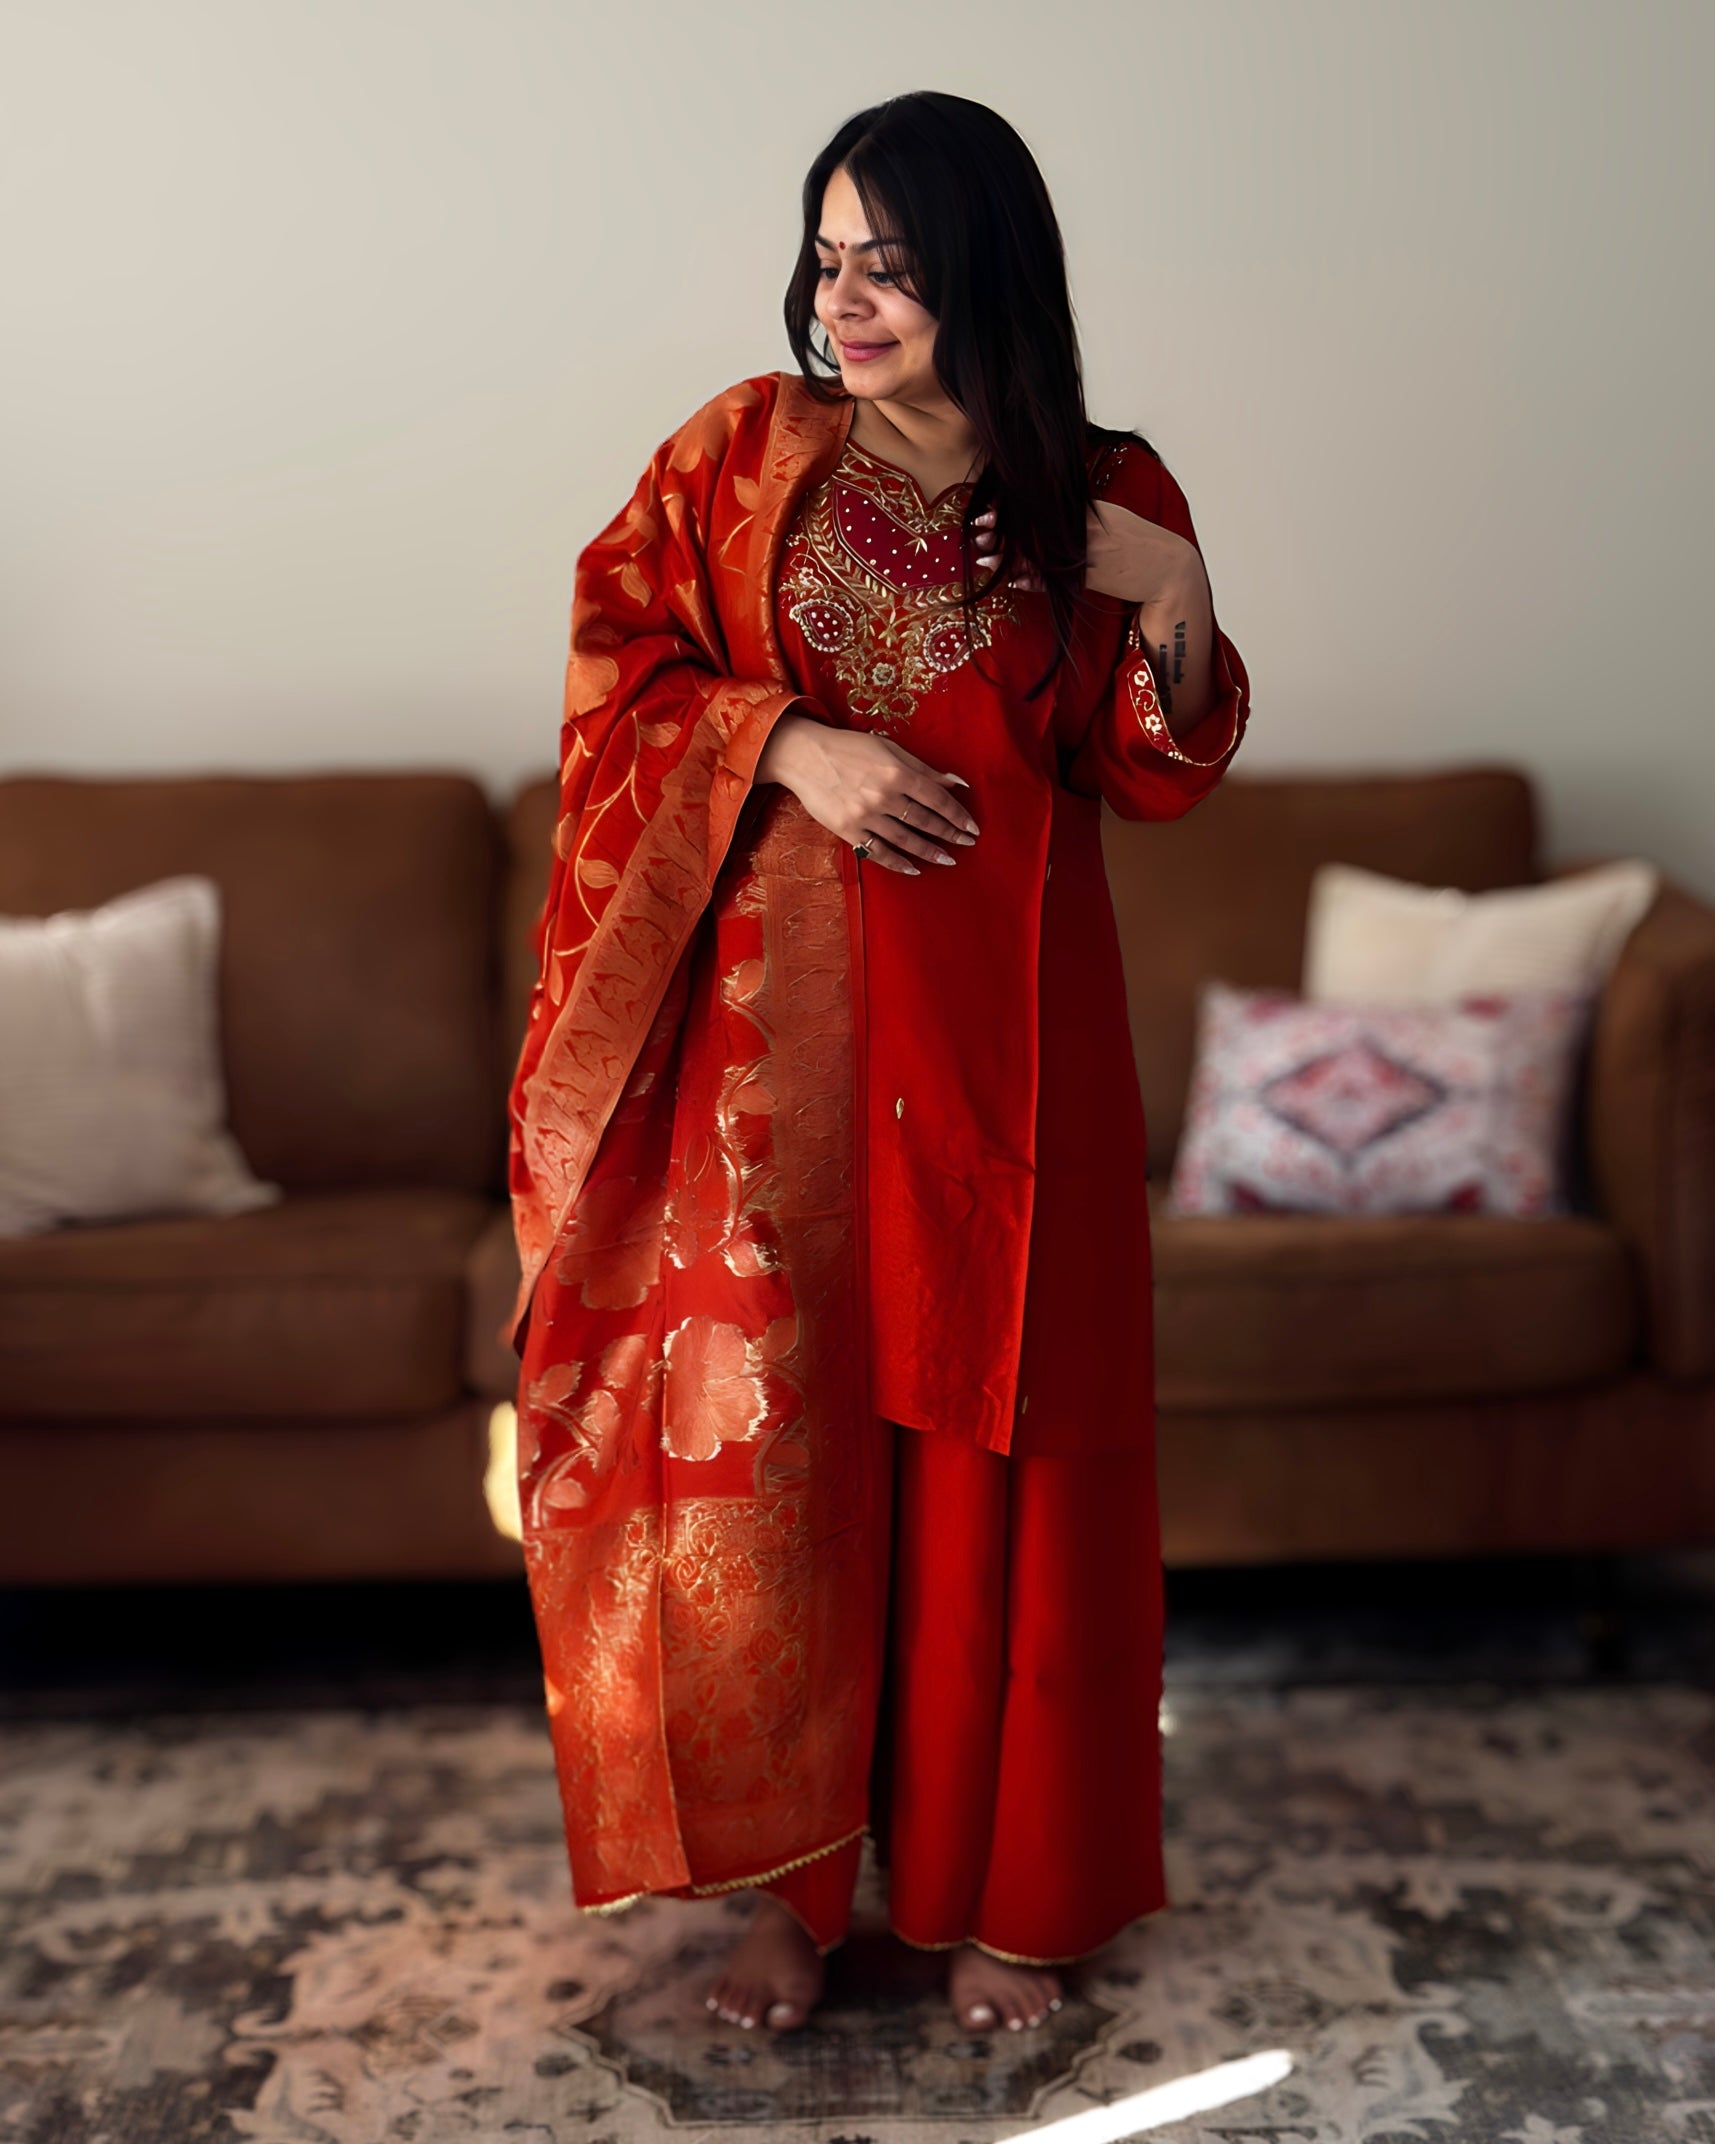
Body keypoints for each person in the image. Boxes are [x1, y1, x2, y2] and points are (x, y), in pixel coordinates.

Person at [504, 90, 1250, 2043]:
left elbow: (1149, 764)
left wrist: (1170, 598)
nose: (848, 299)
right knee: (801, 1478)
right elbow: (614, 661)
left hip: (1014, 1057)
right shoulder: (743, 458)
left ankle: (1023, 1897)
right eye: (832, 256)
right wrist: (788, 744)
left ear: (980, 269)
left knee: (1016, 1471)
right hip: (781, 1069)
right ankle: (805, 1903)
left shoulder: (1094, 482)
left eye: (893, 264)